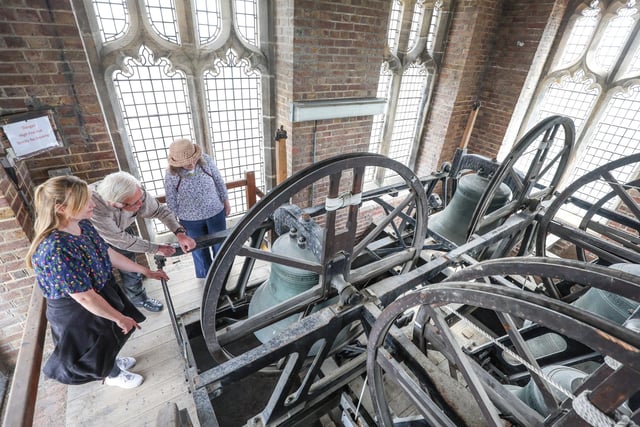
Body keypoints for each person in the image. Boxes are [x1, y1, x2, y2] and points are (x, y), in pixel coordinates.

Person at [26, 176, 170, 388]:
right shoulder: (55, 248)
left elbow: (107, 252)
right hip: (79, 309)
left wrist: (145, 270)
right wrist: (119, 317)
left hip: (99, 291)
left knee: (109, 337)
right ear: (61, 208)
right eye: (85, 202)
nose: (92, 204)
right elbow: (83, 296)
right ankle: (111, 374)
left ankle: (112, 364)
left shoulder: (83, 224)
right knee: (97, 344)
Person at [90, 171, 196, 312]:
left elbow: (160, 211)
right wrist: (156, 248)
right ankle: (113, 310)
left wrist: (180, 233)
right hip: (94, 240)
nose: (141, 203)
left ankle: (139, 299)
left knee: (131, 268)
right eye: (135, 203)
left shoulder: (135, 192)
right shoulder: (95, 205)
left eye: (141, 197)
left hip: (121, 232)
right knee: (105, 277)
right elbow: (120, 240)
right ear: (117, 204)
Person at [164, 138, 231, 279]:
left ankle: (222, 274)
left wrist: (226, 201)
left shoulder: (206, 160)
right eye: (186, 163)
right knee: (198, 249)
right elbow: (171, 198)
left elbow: (218, 181)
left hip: (215, 212)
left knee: (220, 244)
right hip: (190, 219)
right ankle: (206, 277)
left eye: (193, 159)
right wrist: (175, 222)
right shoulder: (171, 174)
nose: (191, 164)